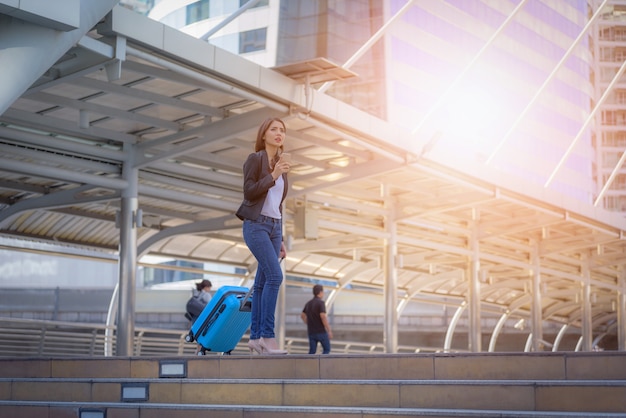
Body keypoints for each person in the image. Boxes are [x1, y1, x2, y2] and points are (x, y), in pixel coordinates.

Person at [236, 117, 291, 355]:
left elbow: (277, 204)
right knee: (274, 277)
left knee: (260, 284)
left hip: (274, 227)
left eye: (282, 130)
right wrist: (273, 175)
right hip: (256, 225)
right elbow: (249, 191)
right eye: (274, 129)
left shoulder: (281, 163)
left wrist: (282, 239)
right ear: (264, 134)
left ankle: (255, 337)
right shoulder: (255, 159)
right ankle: (268, 336)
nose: (279, 133)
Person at [301, 284, 333, 354]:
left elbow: (302, 315)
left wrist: (308, 322)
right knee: (326, 349)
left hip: (311, 331)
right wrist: (329, 330)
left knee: (312, 352)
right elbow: (323, 316)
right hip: (321, 331)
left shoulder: (308, 303)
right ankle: (322, 364)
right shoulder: (321, 303)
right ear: (320, 292)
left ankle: (310, 364)